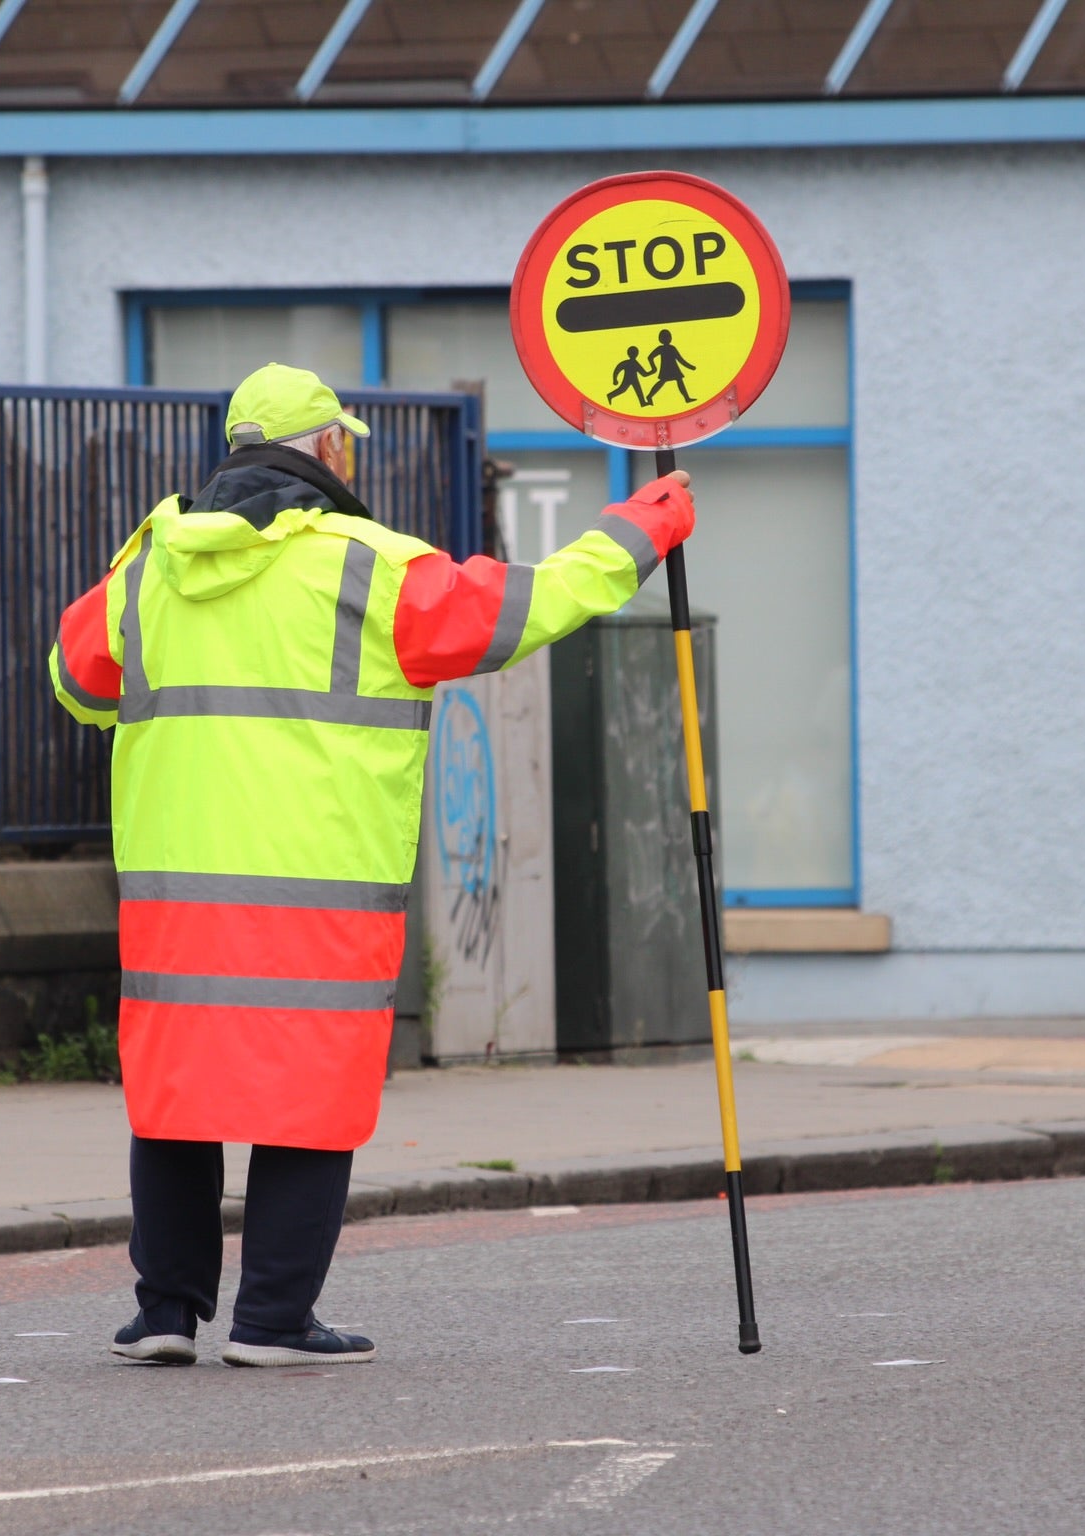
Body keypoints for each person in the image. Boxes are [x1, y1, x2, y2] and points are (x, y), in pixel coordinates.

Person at [48, 361, 695, 1369]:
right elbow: (522, 609)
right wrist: (639, 534)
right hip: (318, 896)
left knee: (178, 1099)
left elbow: (76, 679)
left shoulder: (149, 564)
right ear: (332, 451)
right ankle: (272, 1322)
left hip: (178, 901)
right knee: (306, 1104)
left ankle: (166, 1313)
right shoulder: (370, 568)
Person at [646, 329, 696, 404]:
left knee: (679, 381)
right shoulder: (661, 348)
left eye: (669, 336)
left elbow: (680, 359)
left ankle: (686, 398)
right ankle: (649, 396)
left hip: (674, 368)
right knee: (662, 382)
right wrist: (653, 367)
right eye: (666, 337)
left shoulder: (672, 348)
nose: (668, 338)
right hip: (666, 369)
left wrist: (690, 366)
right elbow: (650, 357)